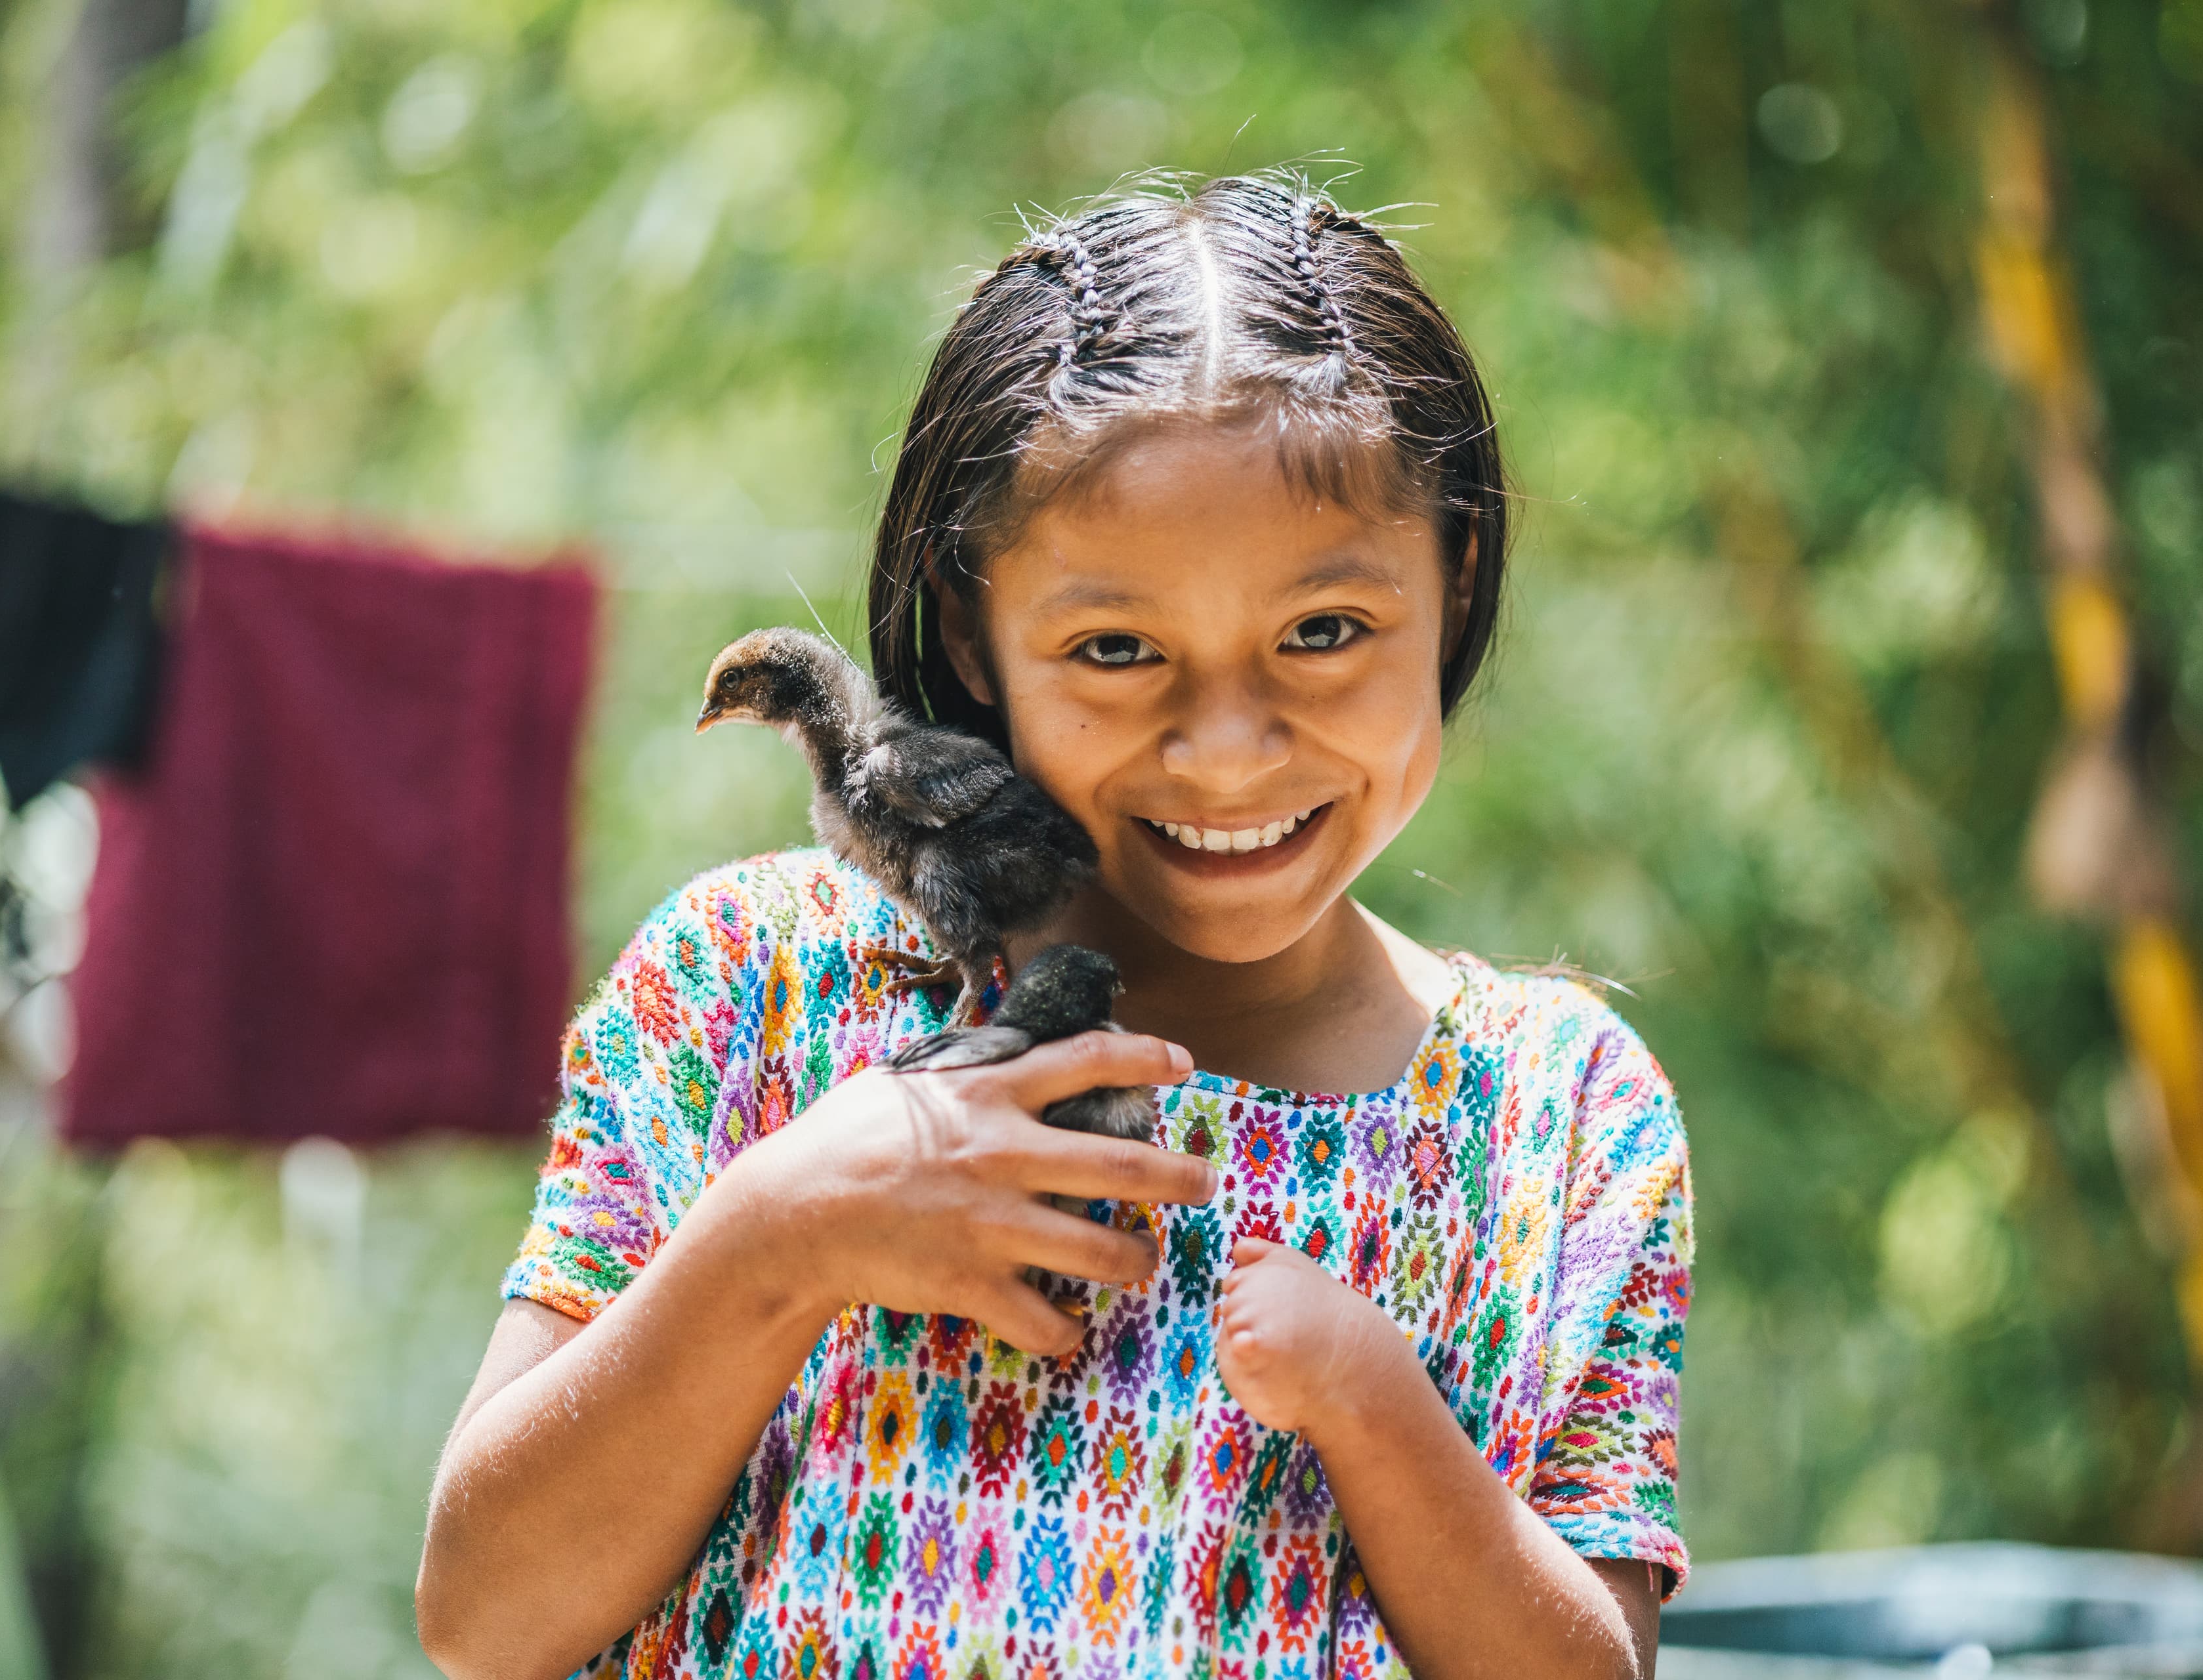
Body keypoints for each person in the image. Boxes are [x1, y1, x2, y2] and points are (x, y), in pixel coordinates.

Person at [416, 170, 1693, 1680]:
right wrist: (778, 1237)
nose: (1227, 747)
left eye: (1325, 632)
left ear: (1458, 573)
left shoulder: (1561, 1116)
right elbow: (485, 1615)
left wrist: (1375, 1402)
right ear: (971, 627)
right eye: (1115, 647)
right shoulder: (750, 989)